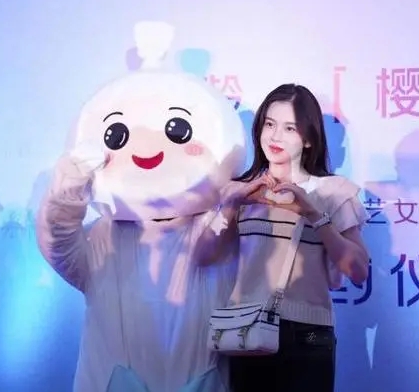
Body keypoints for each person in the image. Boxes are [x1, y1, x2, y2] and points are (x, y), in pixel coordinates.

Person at [36, 22, 247, 392]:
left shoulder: (221, 231)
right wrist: (70, 184)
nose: (146, 148)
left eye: (177, 130)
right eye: (116, 135)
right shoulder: (101, 240)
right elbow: (57, 238)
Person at [194, 83, 370, 391]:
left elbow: (358, 271)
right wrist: (231, 206)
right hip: (247, 330)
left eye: (290, 128)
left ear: (309, 140)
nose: (275, 137)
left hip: (309, 335)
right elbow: (203, 255)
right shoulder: (239, 190)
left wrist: (313, 214)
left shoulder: (332, 192)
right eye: (269, 124)